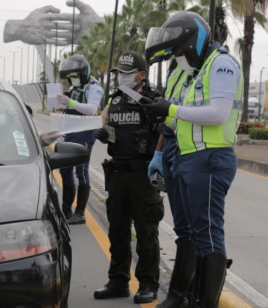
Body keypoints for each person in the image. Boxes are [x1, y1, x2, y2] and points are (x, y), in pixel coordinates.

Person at [142, 11, 243, 308]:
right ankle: (188, 298)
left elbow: (218, 114)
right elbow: (186, 115)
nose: (178, 56)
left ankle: (202, 302)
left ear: (193, 41)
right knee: (194, 233)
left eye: (179, 51)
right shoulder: (197, 69)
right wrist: (162, 111)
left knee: (208, 234)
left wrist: (170, 111)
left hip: (210, 159)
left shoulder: (222, 64)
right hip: (190, 157)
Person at [93, 51, 163, 304]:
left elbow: (164, 131)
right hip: (118, 172)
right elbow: (106, 122)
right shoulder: (115, 99)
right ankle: (118, 281)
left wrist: (155, 117)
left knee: (146, 233)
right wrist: (103, 133)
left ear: (141, 75)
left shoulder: (153, 99)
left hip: (142, 174)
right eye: (118, 73)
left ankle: (148, 284)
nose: (120, 78)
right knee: (118, 232)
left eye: (125, 73)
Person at [145, 58, 196, 307]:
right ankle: (180, 293)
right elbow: (168, 121)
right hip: (171, 146)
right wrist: (159, 152)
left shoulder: (198, 69)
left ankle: (188, 293)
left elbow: (182, 114)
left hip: (189, 148)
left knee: (197, 229)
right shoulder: (175, 71)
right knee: (182, 228)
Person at [55, 54, 104, 224]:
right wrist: (62, 103)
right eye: (70, 77)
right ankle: (66, 210)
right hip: (70, 131)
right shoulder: (73, 89)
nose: (72, 79)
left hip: (85, 132)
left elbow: (91, 109)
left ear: (83, 73)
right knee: (65, 169)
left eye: (75, 76)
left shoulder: (94, 88)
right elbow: (69, 108)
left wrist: (71, 102)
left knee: (81, 171)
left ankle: (80, 212)